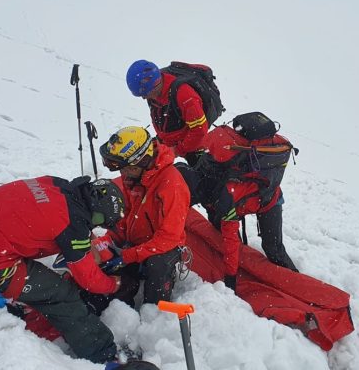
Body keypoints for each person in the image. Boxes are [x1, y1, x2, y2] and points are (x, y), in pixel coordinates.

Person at [0, 176, 125, 364]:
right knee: (62, 294)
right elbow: (89, 281)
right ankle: (103, 354)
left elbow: (65, 222)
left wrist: (86, 240)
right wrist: (113, 284)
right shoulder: (71, 227)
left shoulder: (55, 184)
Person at [177, 125, 298, 290]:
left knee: (273, 249)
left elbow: (231, 240)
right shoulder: (202, 172)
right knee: (221, 234)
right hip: (240, 195)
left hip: (268, 200)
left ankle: (295, 283)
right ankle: (243, 265)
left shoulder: (222, 197)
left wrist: (231, 277)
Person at [97, 126, 190, 308]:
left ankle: (154, 313)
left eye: (127, 169)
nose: (123, 174)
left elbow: (169, 238)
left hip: (164, 247)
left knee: (157, 266)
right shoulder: (134, 176)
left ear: (142, 160)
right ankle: (119, 309)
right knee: (112, 269)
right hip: (138, 241)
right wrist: (111, 239)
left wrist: (129, 255)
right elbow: (127, 214)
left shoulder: (171, 185)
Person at [126, 59, 209, 166]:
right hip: (168, 142)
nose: (143, 98)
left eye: (145, 94)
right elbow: (159, 117)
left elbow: (200, 130)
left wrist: (177, 150)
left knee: (197, 177)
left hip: (192, 146)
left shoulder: (184, 95)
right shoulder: (153, 93)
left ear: (155, 86)